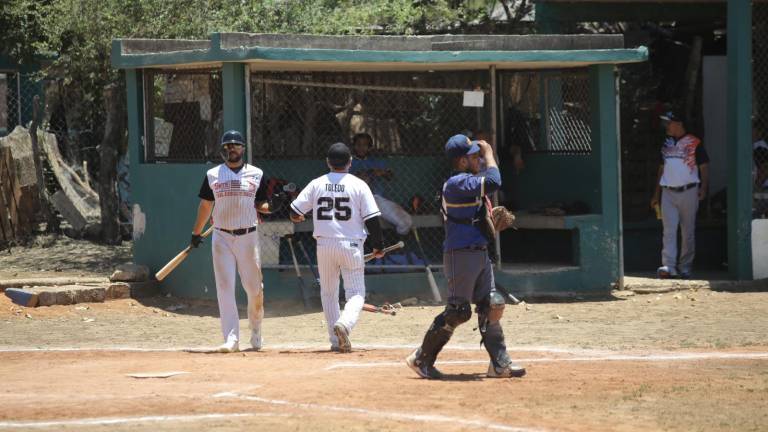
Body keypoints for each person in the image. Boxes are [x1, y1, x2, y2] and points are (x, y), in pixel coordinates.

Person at [405, 134, 526, 379]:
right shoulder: (456, 183)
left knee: (492, 304)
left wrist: (489, 224)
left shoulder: (468, 182)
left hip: (479, 252)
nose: (479, 159)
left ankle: (499, 364)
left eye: (479, 155)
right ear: (461, 161)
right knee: (458, 311)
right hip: (460, 255)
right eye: (474, 156)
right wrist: (490, 152)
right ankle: (420, 358)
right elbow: (494, 180)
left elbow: (478, 215)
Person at [289, 142, 384, 352]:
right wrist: (378, 245)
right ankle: (345, 324)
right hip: (351, 245)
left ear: (328, 162)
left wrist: (298, 217)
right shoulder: (358, 184)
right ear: (350, 162)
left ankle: (335, 340)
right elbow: (373, 219)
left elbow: (295, 211)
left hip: (324, 244)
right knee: (356, 293)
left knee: (328, 292)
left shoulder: (317, 183)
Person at [190, 130, 271, 353]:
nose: (231, 149)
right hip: (222, 236)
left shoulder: (257, 174)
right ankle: (231, 338)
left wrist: (275, 205)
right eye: (227, 146)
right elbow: (206, 205)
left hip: (248, 236)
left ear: (243, 148)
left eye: (235, 145)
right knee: (225, 287)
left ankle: (255, 328)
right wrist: (196, 233)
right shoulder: (213, 175)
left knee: (253, 288)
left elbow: (262, 205)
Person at [650, 112, 710, 279]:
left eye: (668, 123)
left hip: (689, 191)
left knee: (687, 231)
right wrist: (656, 193)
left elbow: (704, 166)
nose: (666, 126)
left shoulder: (694, 142)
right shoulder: (666, 143)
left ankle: (685, 267)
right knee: (668, 230)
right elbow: (662, 168)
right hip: (668, 192)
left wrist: (703, 188)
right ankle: (668, 266)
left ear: (678, 123)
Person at [350, 133, 413, 237]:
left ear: (369, 147)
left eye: (365, 145)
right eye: (358, 144)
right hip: (355, 200)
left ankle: (394, 243)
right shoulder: (349, 162)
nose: (361, 147)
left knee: (405, 222)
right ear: (354, 146)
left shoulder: (375, 161)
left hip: (375, 199)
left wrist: (383, 172)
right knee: (363, 228)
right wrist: (371, 173)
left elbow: (390, 175)